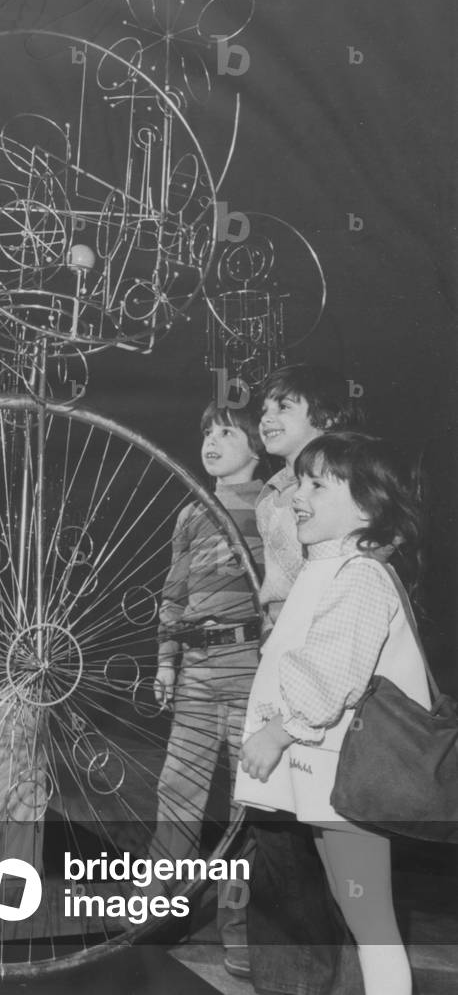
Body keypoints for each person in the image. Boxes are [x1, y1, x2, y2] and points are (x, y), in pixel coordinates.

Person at [236, 432, 429, 995]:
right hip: (326, 779)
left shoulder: (360, 576)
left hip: (346, 780)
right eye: (301, 479)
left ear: (369, 506)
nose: (300, 492)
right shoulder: (328, 567)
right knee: (355, 905)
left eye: (320, 484)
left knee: (371, 920)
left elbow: (331, 676)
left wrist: (280, 731)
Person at [247, 363, 364, 995]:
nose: (266, 417)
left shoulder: (345, 480)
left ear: (324, 417)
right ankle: (288, 983)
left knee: (336, 843)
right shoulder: (272, 492)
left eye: (284, 406)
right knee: (279, 835)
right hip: (281, 663)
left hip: (327, 675)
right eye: (264, 406)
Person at [151, 399, 264, 978]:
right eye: (208, 433)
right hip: (196, 669)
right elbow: (172, 596)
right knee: (178, 789)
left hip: (252, 669)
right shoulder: (192, 512)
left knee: (250, 807)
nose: (212, 442)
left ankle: (241, 934)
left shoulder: (277, 505)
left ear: (257, 445)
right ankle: (154, 913)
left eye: (227, 432)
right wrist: (166, 663)